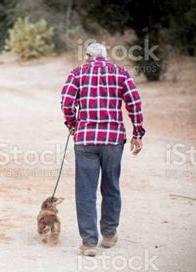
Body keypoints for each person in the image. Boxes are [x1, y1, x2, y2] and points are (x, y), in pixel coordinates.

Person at [60, 42, 145, 256]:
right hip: (113, 140)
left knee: (85, 191)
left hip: (86, 140)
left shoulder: (77, 73)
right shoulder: (121, 73)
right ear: (106, 57)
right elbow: (134, 103)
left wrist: (72, 124)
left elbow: (67, 102)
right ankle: (108, 235)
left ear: (88, 56)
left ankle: (89, 243)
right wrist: (137, 133)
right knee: (111, 188)